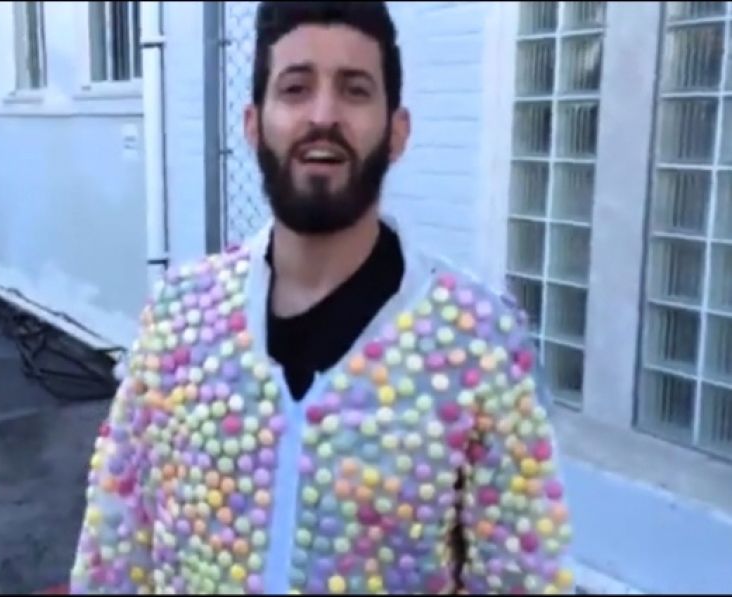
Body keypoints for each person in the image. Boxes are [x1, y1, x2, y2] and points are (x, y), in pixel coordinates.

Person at [69, 1, 575, 594]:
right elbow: (116, 548)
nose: (323, 115)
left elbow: (522, 577)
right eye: (296, 88)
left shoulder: (478, 344)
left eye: (355, 90)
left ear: (397, 132)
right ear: (253, 125)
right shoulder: (178, 320)